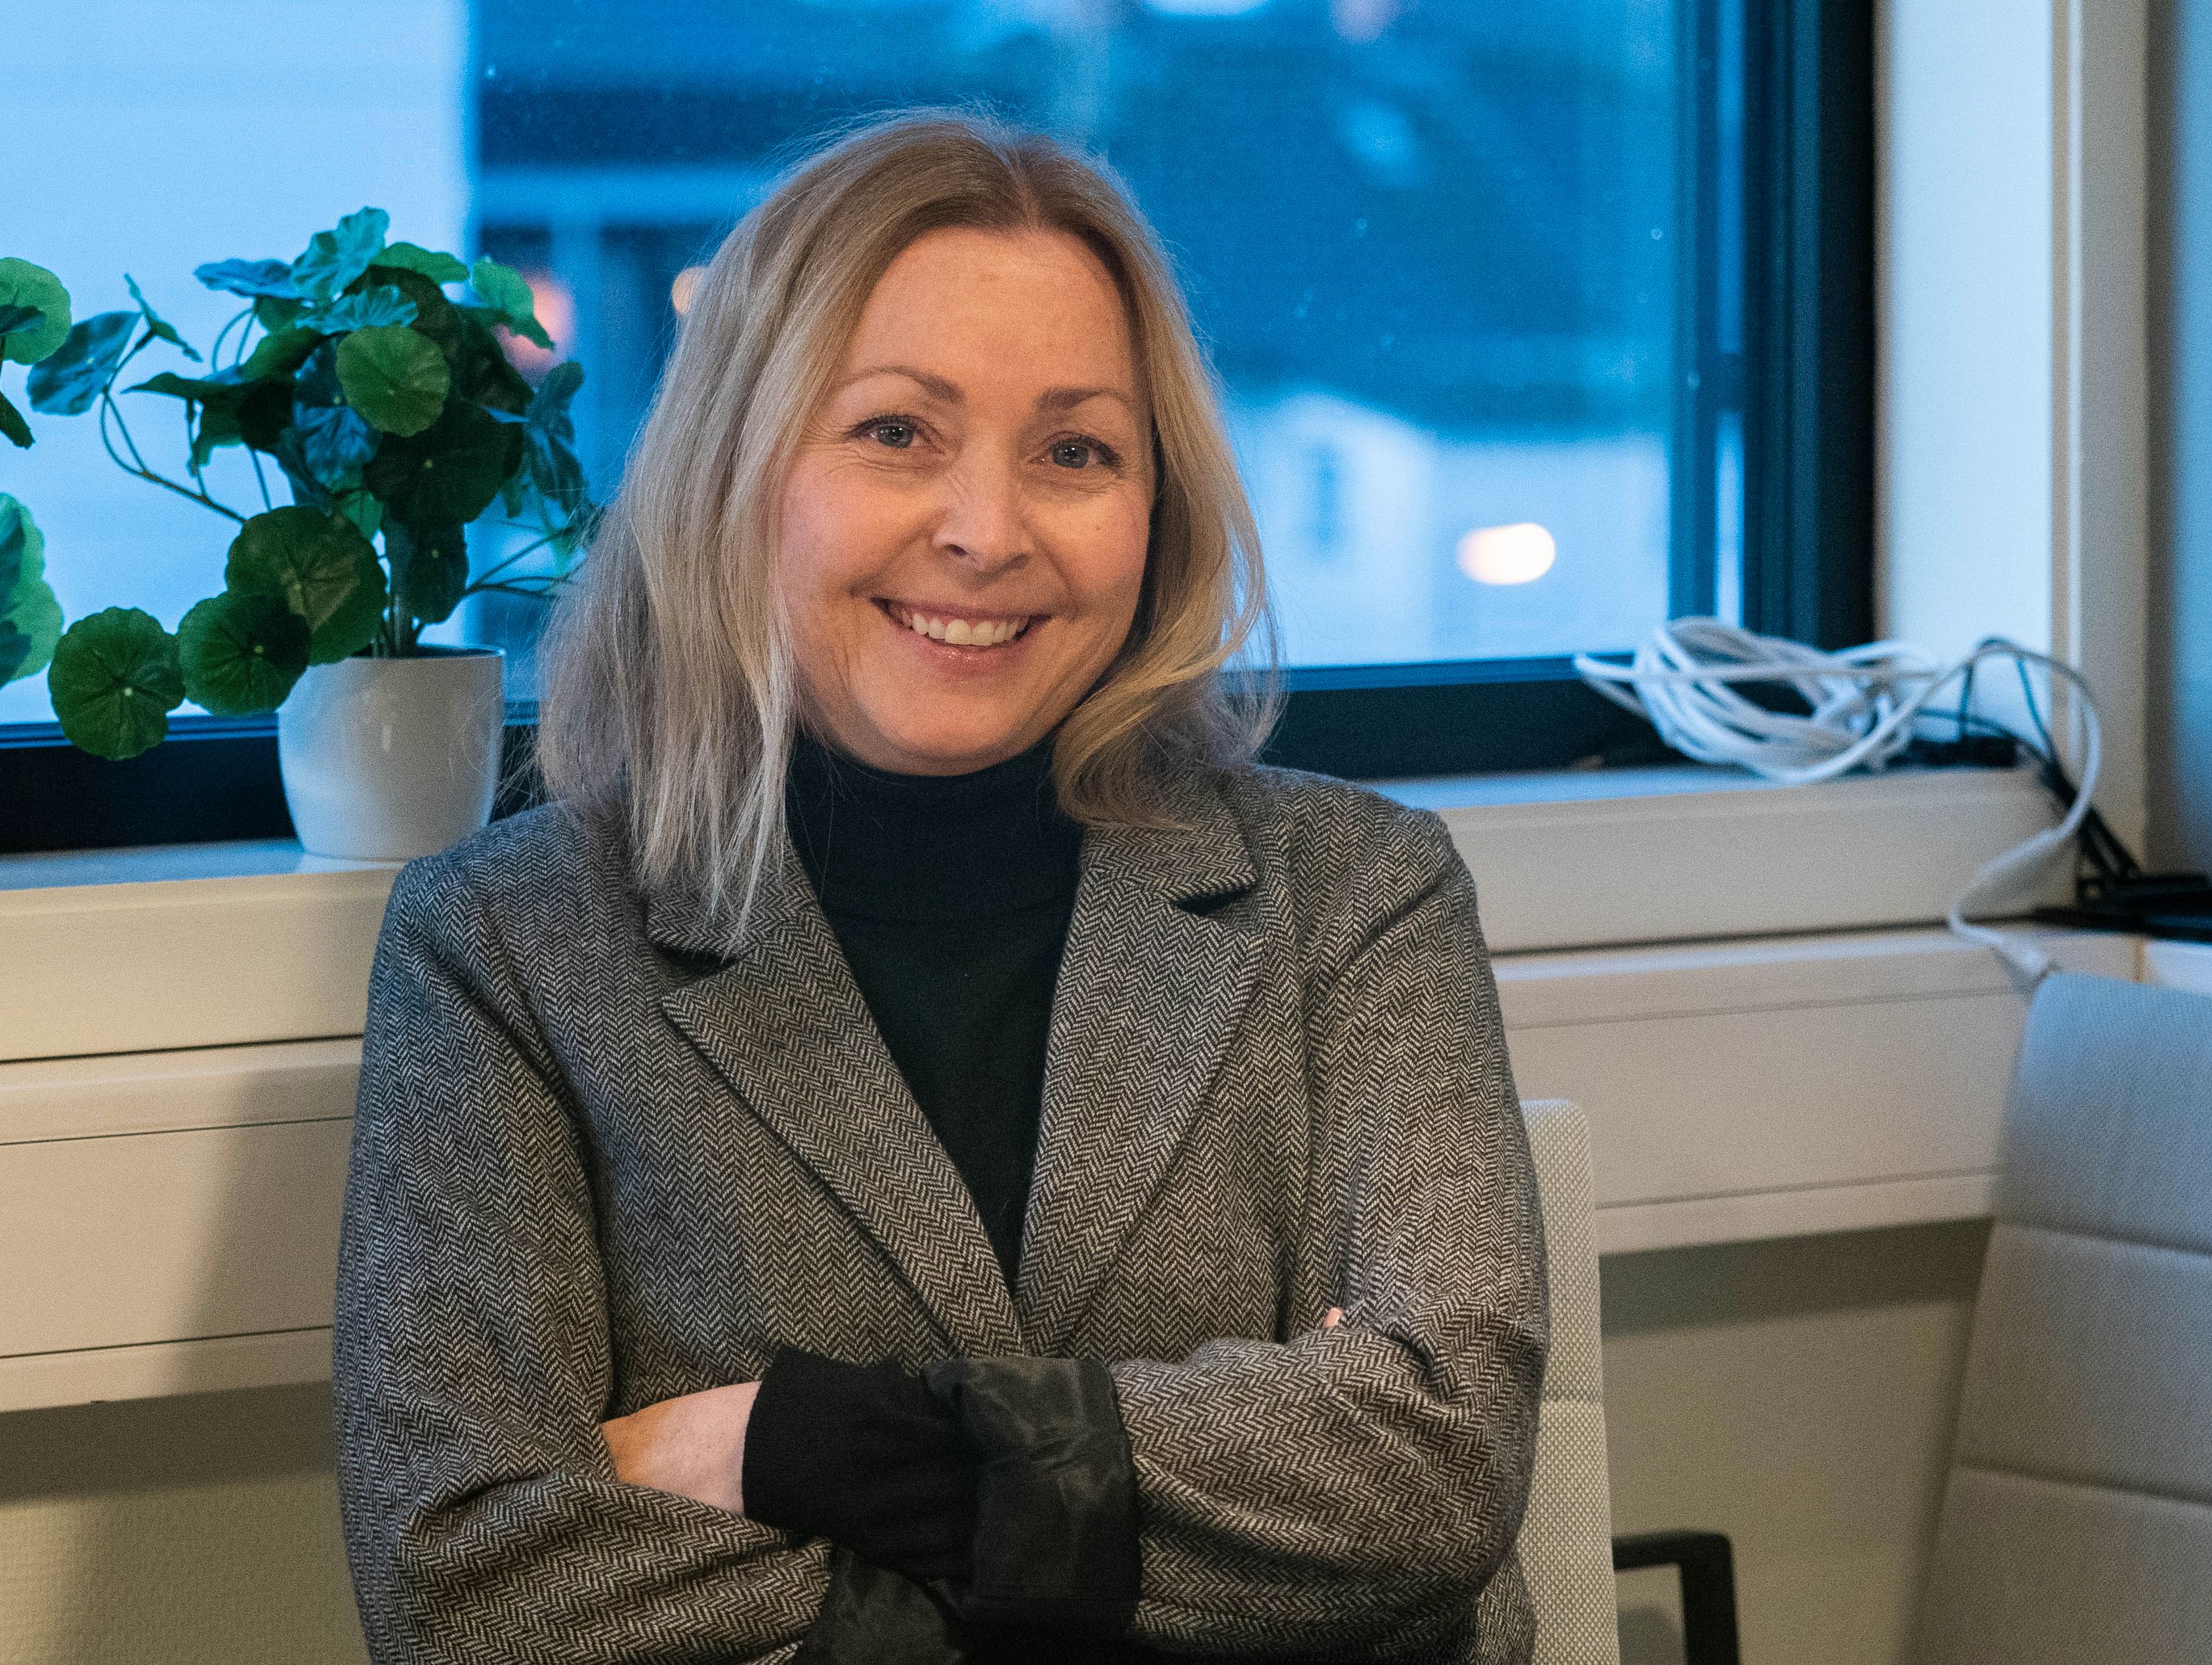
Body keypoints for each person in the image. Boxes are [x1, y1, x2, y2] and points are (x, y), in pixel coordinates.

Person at [331, 111, 1546, 1664]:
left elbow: (1434, 1471)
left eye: (1075, 452)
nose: (984, 532)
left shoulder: (1357, 893)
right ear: (735, 468)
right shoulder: (502, 947)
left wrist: (791, 1447)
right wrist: (1187, 1521)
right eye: (896, 432)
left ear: (1156, 509)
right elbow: (466, 1592)